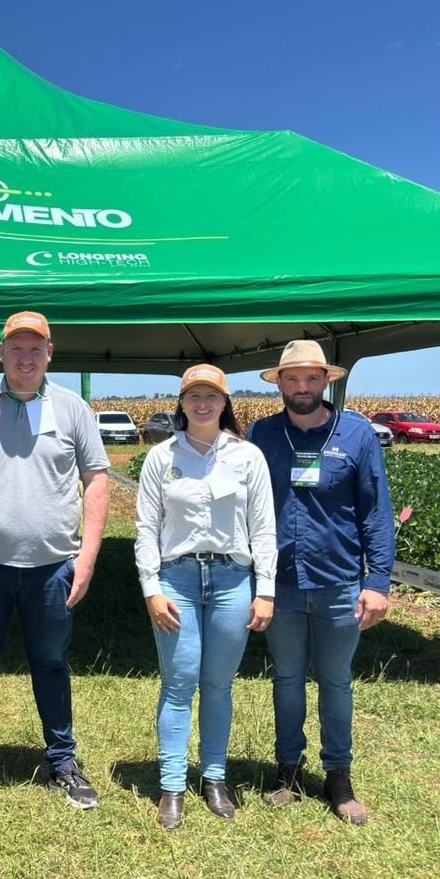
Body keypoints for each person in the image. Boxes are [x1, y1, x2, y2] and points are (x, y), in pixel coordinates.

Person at [0, 311, 111, 809]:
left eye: (35, 348)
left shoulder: (73, 408)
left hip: (52, 565)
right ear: (1, 353)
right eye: (16, 348)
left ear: (50, 353)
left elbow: (96, 480)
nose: (25, 358)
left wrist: (88, 556)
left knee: (51, 662)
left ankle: (63, 762)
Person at [248, 340, 396, 825]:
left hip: (339, 583)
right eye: (292, 378)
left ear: (326, 381)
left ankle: (339, 775)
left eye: (312, 377)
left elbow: (376, 512)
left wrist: (377, 582)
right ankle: (287, 769)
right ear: (280, 384)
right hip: (281, 584)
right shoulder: (262, 434)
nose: (302, 387)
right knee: (287, 678)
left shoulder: (356, 434)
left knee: (336, 681)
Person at [134, 364, 276, 829]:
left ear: (224, 402)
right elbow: (145, 529)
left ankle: (214, 777)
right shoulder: (161, 457)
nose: (202, 403)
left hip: (233, 581)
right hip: (177, 580)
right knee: (178, 684)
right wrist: (151, 588)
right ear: (181, 402)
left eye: (211, 396)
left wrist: (266, 590)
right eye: (193, 395)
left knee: (218, 685)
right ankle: (172, 784)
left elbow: (264, 529)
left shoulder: (248, 457)